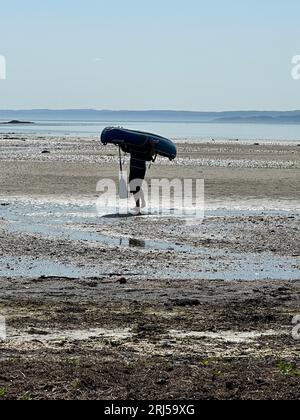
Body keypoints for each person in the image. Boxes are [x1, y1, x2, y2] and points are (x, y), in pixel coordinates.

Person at [126, 142, 155, 215]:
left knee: (136, 187)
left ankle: (138, 207)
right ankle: (139, 204)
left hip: (140, 170)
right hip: (133, 169)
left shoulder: (143, 148)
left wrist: (152, 146)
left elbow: (150, 156)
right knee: (134, 187)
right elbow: (125, 149)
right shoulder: (132, 147)